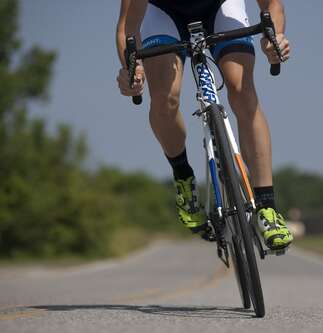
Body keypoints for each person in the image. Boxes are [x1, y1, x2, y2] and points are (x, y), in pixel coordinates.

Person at [116, 0, 293, 249]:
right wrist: (131, 70)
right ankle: (183, 177)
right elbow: (127, 27)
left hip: (221, 6)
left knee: (242, 90)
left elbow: (272, 4)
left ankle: (267, 208)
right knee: (165, 98)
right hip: (164, 12)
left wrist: (274, 38)